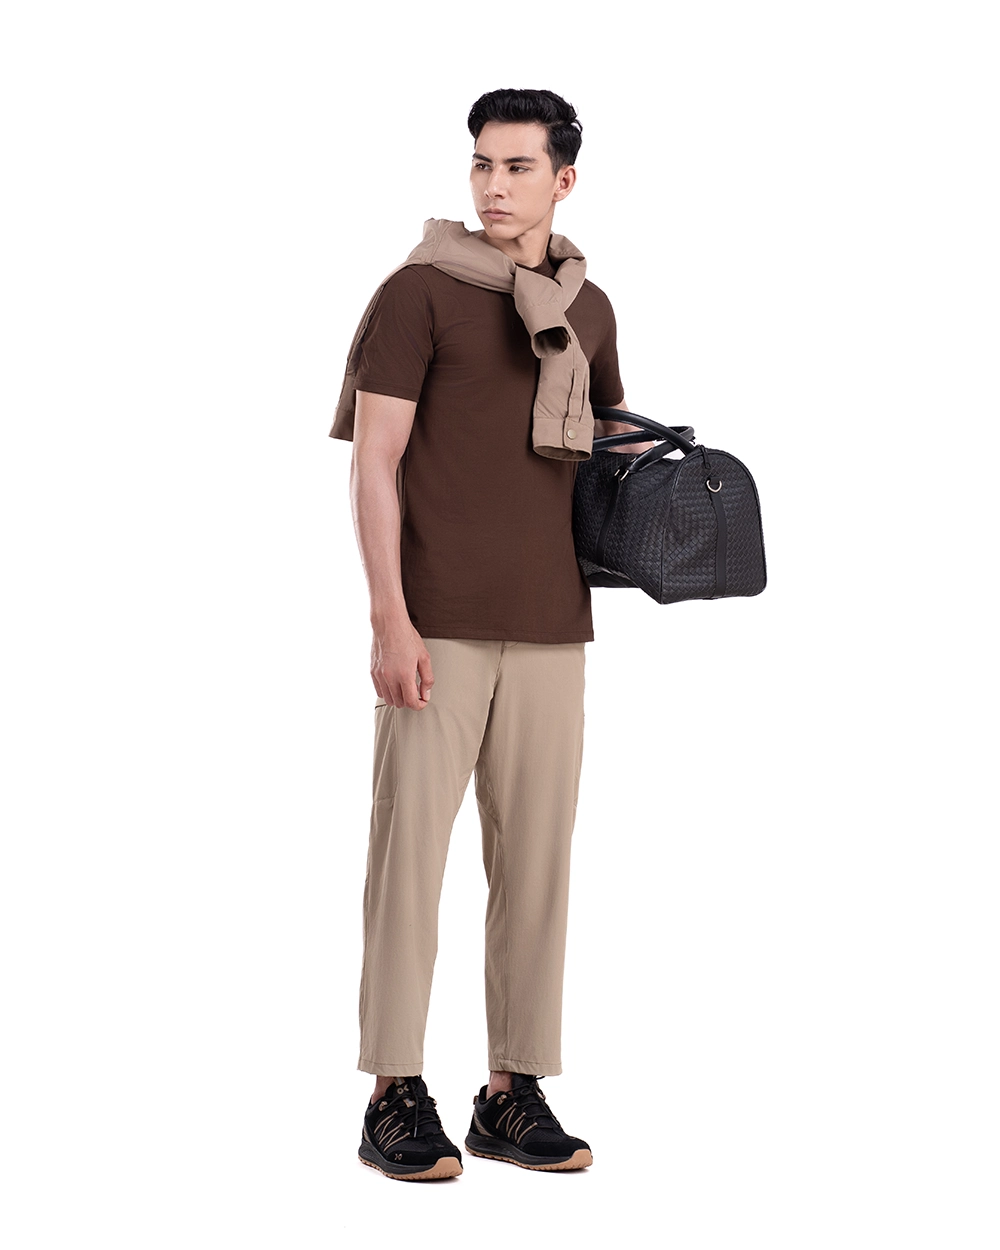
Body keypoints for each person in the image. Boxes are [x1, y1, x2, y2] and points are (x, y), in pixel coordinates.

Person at [329, 87, 653, 1181]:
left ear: (565, 179)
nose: (494, 186)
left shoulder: (587, 306)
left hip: (554, 620)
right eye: (482, 164)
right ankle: (392, 1091)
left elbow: (602, 446)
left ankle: (512, 1092)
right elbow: (375, 460)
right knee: (407, 861)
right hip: (439, 619)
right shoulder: (420, 292)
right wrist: (389, 616)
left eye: (518, 167)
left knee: (538, 867)